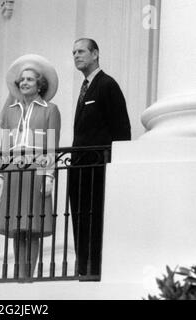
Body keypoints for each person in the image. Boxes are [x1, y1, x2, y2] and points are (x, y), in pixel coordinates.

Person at [70, 38, 131, 276]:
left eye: (81, 51)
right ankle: (83, 267)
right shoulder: (85, 87)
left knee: (96, 221)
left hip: (99, 168)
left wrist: (114, 164)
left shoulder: (107, 85)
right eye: (74, 52)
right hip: (80, 169)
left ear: (95, 54)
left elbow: (122, 129)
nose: (76, 55)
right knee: (81, 220)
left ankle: (94, 269)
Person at [0, 54, 61, 278]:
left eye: (30, 80)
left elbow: (52, 145)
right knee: (16, 226)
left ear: (39, 84)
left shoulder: (49, 109)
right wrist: (2, 176)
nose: (24, 83)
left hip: (36, 171)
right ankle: (18, 275)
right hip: (15, 172)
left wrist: (49, 175)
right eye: (21, 80)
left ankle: (28, 275)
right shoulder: (10, 111)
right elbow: (5, 146)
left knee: (32, 227)